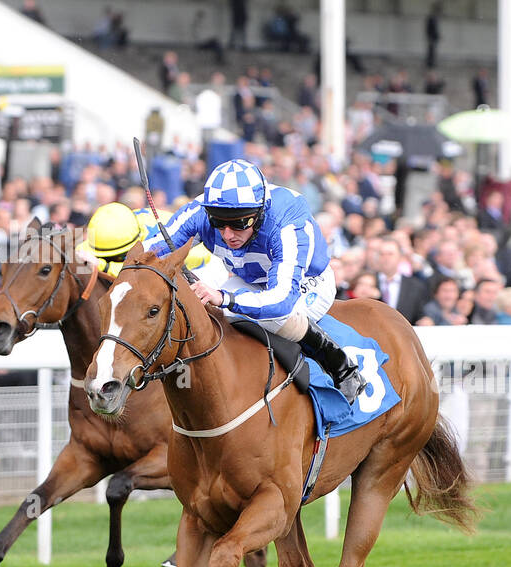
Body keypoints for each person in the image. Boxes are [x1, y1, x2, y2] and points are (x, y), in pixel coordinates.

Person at [146, 158, 364, 402]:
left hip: (305, 284)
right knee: (207, 315)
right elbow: (152, 248)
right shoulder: (201, 212)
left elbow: (281, 300)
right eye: (219, 223)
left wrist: (225, 297)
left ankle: (341, 366)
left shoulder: (287, 220)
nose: (228, 234)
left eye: (240, 223)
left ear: (260, 213)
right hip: (249, 282)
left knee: (272, 318)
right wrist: (99, 260)